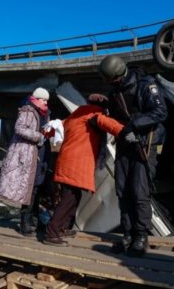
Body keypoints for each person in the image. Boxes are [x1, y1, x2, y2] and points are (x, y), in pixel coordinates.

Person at [99, 54, 168, 257]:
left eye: (110, 79)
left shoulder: (146, 85)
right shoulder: (115, 92)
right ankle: (127, 234)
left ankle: (140, 236)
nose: (109, 84)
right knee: (123, 190)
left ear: (118, 75)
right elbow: (115, 117)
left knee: (139, 191)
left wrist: (134, 126)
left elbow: (160, 112)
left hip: (145, 143)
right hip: (125, 143)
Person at [43, 94, 123, 246]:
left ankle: (62, 228)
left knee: (74, 197)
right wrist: (126, 132)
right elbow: (110, 125)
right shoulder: (93, 115)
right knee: (68, 199)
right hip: (76, 164)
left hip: (67, 161)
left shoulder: (74, 116)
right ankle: (51, 233)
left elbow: (53, 130)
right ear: (102, 106)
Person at [0, 87, 51, 236]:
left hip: (39, 154)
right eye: (43, 100)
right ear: (36, 99)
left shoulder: (44, 113)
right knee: (29, 189)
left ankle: (32, 220)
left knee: (36, 189)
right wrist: (39, 136)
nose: (45, 102)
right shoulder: (28, 110)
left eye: (46, 100)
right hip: (27, 154)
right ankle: (25, 223)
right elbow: (19, 128)